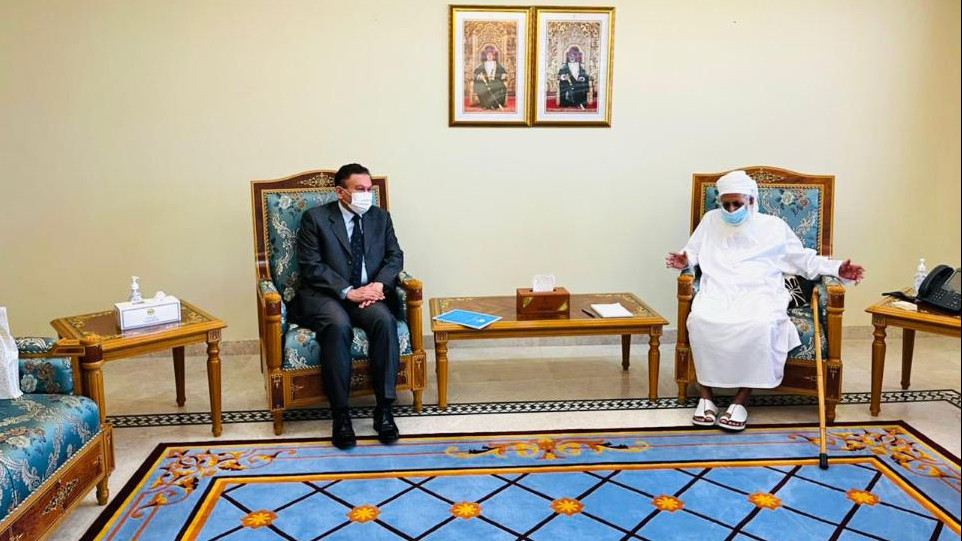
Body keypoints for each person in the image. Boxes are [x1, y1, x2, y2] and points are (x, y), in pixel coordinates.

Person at [666, 171, 865, 431]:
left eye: (737, 204)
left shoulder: (773, 227)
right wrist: (685, 260)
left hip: (759, 291)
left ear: (751, 200)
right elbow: (691, 252)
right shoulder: (711, 220)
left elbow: (803, 260)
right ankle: (706, 397)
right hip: (719, 289)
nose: (731, 210)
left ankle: (741, 399)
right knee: (701, 319)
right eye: (726, 204)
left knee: (760, 324)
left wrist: (838, 268)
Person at [292, 163, 404, 449]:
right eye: (359, 189)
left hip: (368, 293)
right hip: (326, 295)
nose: (366, 195)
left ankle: (384, 410)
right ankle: (341, 415)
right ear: (341, 192)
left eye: (369, 189)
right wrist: (348, 291)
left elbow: (395, 256)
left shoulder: (380, 217)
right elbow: (311, 265)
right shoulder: (315, 218)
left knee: (384, 321)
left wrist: (378, 286)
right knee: (337, 325)